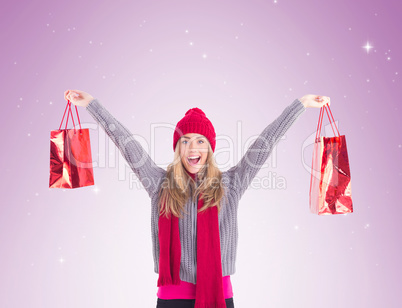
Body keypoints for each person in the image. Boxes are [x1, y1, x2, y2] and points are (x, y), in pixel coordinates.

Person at [64, 89, 330, 308]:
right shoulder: (160, 184)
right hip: (172, 298)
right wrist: (91, 105)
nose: (193, 148)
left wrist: (301, 105)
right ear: (178, 148)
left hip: (218, 295)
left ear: (210, 148)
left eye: (200, 141)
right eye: (185, 141)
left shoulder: (230, 185)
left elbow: (265, 142)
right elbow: (125, 143)